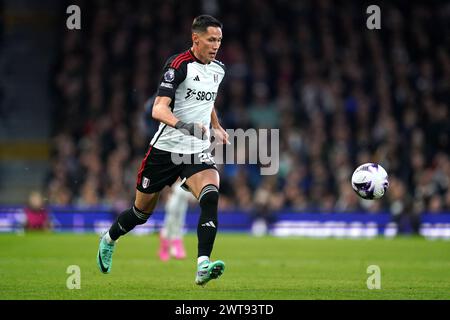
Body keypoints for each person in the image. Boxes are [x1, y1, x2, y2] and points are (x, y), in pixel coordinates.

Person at [97, 14, 229, 286]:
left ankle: (202, 264)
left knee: (210, 195)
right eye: (211, 39)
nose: (216, 45)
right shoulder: (178, 65)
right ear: (196, 38)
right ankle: (109, 239)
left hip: (195, 151)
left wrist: (217, 126)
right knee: (140, 213)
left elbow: (209, 100)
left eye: (219, 40)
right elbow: (158, 109)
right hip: (165, 150)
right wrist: (186, 126)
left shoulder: (218, 70)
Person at [144, 96, 193, 262]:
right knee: (180, 196)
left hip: (186, 148)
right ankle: (175, 239)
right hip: (166, 149)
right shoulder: (162, 102)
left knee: (181, 196)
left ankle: (167, 237)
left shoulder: (190, 102)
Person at [158, 180, 194, 261]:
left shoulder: (182, 185)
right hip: (174, 208)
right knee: (170, 225)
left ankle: (171, 249)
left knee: (176, 225)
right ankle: (168, 249)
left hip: (180, 208)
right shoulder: (178, 186)